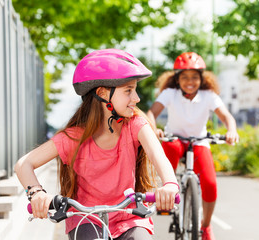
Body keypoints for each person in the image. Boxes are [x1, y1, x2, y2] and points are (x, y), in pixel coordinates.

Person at [14, 49, 179, 240]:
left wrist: (170, 184)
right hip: (86, 219)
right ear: (102, 93)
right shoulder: (73, 138)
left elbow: (158, 156)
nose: (136, 98)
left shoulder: (135, 125)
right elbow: (23, 164)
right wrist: (36, 194)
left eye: (134, 90)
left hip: (130, 219)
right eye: (128, 91)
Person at [147, 52, 239, 240]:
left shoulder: (209, 95)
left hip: (199, 141)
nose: (190, 81)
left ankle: (205, 226)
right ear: (177, 79)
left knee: (210, 184)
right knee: (171, 147)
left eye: (195, 77)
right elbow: (151, 113)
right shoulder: (170, 94)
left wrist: (232, 130)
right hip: (175, 139)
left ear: (201, 79)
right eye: (185, 77)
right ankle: (168, 190)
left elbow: (226, 116)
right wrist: (153, 129)